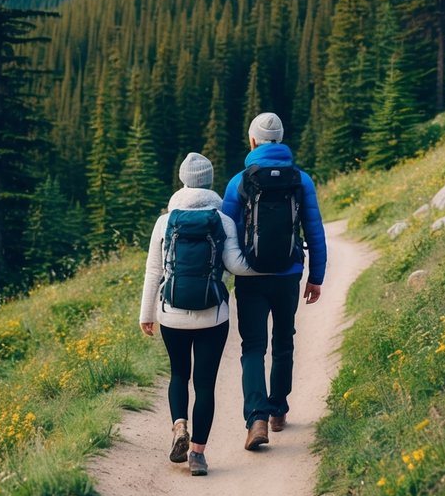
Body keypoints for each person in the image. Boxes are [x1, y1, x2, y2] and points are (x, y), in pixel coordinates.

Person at [139, 151, 253, 475]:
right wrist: (270, 268)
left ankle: (178, 426)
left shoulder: (165, 220)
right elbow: (234, 266)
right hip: (212, 316)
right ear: (209, 181)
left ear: (183, 180)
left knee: (179, 374)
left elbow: (153, 270)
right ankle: (198, 455)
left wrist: (146, 313)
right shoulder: (223, 220)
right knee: (205, 385)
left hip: (171, 313)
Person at [221, 111, 326, 451]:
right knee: (284, 340)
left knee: (253, 346)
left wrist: (224, 275)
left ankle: (257, 419)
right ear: (280, 140)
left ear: (252, 141)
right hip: (288, 275)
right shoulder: (301, 179)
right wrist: (316, 276)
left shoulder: (239, 181)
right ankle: (278, 409)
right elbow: (314, 230)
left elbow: (225, 234)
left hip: (250, 276)